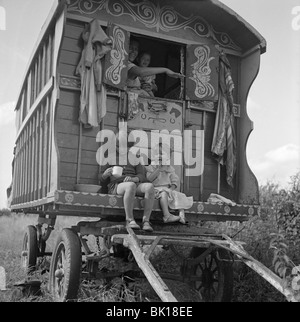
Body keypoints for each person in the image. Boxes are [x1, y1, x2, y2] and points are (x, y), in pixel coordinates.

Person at [100, 130, 155, 232]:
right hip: (116, 185)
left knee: (149, 187)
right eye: (119, 147)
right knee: (130, 185)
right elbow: (100, 178)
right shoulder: (109, 157)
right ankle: (129, 220)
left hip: (133, 183)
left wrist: (134, 178)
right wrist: (105, 175)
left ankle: (146, 221)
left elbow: (141, 175)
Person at [146, 143, 193, 224]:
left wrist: (171, 189)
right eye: (157, 154)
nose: (159, 156)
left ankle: (181, 215)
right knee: (163, 194)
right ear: (153, 156)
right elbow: (149, 179)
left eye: (162, 154)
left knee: (181, 195)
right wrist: (158, 169)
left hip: (167, 188)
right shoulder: (151, 167)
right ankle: (166, 215)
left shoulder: (169, 168)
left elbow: (174, 180)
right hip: (155, 189)